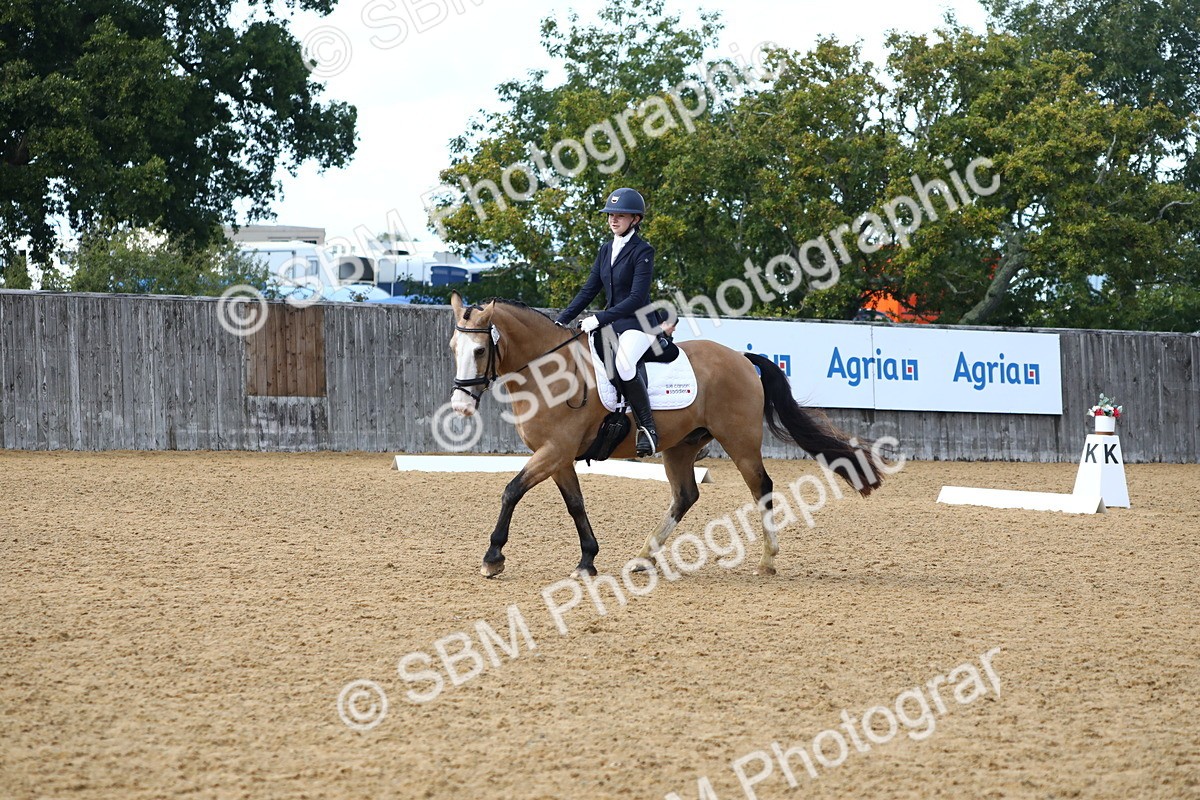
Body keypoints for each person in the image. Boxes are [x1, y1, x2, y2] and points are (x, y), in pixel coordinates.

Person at [555, 187, 661, 456]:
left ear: (635, 219)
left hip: (639, 323)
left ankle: (647, 428)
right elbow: (589, 289)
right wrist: (562, 319)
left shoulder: (643, 251)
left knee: (624, 364)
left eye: (620, 215)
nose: (613, 219)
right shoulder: (606, 250)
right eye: (611, 215)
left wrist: (599, 318)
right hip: (614, 324)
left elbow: (637, 298)